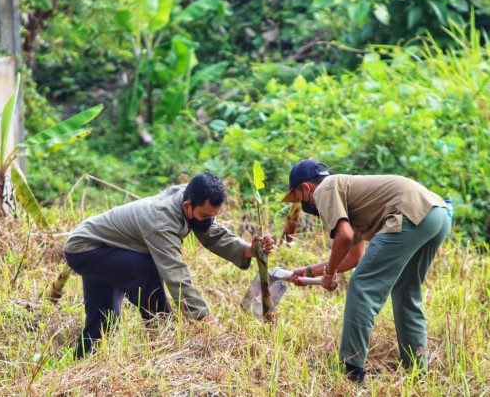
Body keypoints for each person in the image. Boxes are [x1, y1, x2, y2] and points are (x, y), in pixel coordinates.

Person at [64, 172, 274, 359]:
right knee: (146, 269)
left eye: (213, 216)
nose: (208, 221)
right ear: (187, 206)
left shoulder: (189, 196)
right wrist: (207, 320)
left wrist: (247, 250)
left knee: (104, 321)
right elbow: (176, 276)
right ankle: (164, 337)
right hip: (86, 250)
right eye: (205, 216)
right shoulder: (161, 223)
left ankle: (79, 362)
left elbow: (212, 232)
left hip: (104, 246)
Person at [281, 159, 450, 382]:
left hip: (408, 214)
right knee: (405, 291)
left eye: (299, 197)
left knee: (362, 287)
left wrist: (329, 275)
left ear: (305, 188)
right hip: (436, 215)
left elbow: (344, 236)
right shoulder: (349, 194)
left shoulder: (325, 189)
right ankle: (417, 368)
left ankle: (351, 369)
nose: (303, 204)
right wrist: (311, 271)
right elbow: (353, 257)